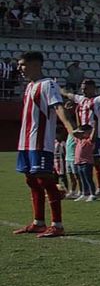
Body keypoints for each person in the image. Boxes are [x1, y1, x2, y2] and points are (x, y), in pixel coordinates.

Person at [12, 51, 78, 237]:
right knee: (31, 180)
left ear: (35, 65)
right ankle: (38, 222)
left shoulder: (48, 85)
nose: (20, 68)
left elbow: (57, 107)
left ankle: (57, 225)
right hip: (25, 143)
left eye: (22, 64)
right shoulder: (29, 87)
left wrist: (71, 129)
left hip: (40, 142)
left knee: (44, 180)